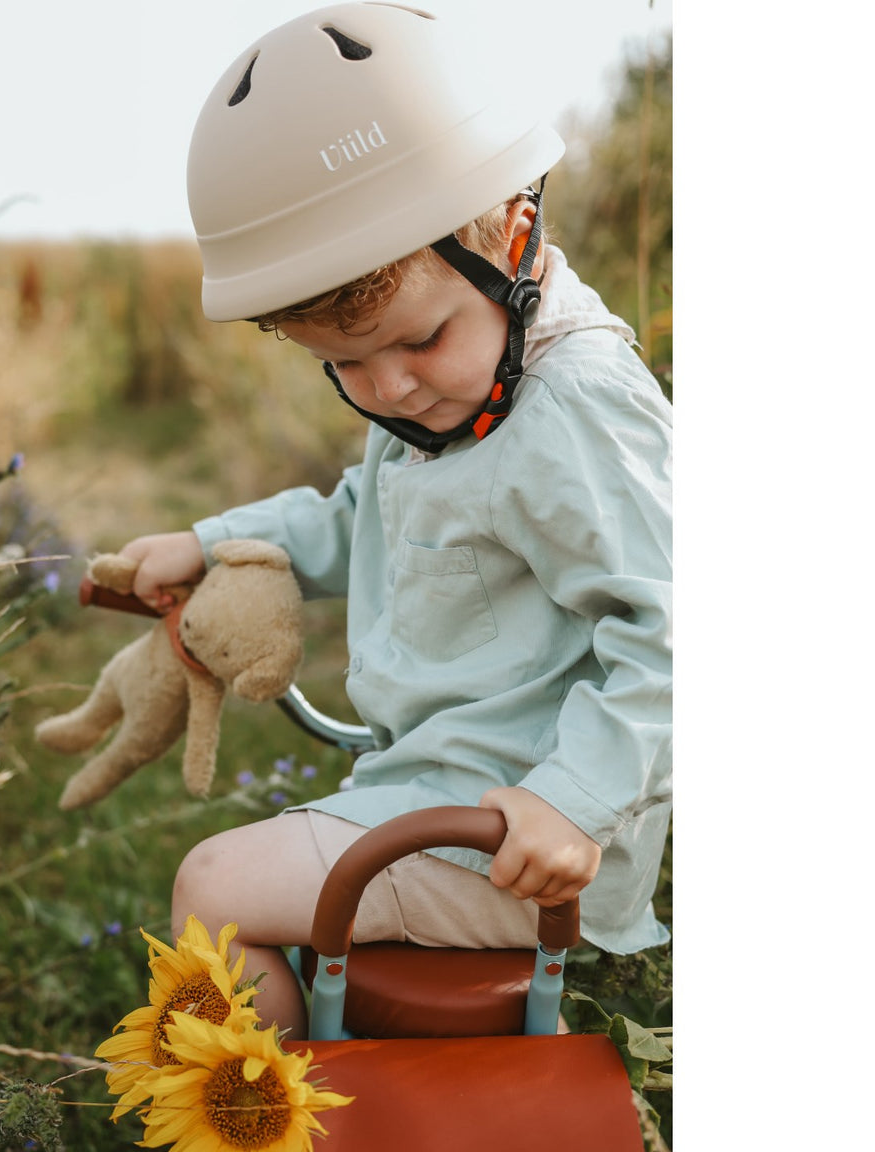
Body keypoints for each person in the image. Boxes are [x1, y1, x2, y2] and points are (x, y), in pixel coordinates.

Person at [119, 2, 671, 1035]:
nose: (389, 388)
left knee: (214, 888)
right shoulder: (446, 402)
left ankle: (277, 1111)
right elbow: (355, 512)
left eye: (418, 339)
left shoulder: (572, 408)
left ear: (513, 238)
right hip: (437, 795)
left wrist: (572, 801)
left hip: (524, 836)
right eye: (344, 362)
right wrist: (211, 543)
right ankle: (334, 1093)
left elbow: (676, 630)